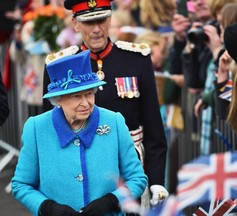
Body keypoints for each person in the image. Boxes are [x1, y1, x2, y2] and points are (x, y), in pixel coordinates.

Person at [42, 0, 168, 207]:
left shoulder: (137, 59)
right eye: (88, 23)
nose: (96, 30)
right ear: (75, 24)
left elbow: (154, 127)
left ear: (110, 19)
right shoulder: (60, 66)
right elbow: (51, 131)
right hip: (79, 168)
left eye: (101, 21)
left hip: (129, 168)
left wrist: (156, 181)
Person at [11, 50, 148, 216]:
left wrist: (112, 200)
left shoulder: (114, 122)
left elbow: (137, 179)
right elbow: (21, 184)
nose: (86, 103)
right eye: (77, 96)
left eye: (89, 94)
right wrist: (47, 207)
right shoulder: (36, 128)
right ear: (59, 99)